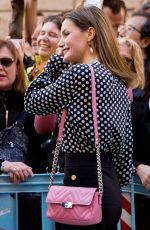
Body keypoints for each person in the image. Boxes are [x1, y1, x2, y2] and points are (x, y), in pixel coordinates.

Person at [24, 6, 135, 230]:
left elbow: (33, 102)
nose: (60, 42)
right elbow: (126, 143)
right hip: (108, 183)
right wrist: (113, 183)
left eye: (66, 34)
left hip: (81, 183)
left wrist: (53, 65)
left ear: (90, 34)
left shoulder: (81, 73)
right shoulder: (115, 77)